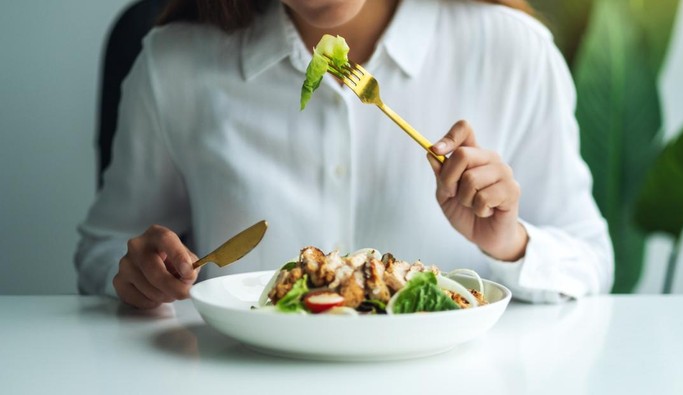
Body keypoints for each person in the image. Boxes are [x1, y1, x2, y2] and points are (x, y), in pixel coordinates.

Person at [75, 0, 614, 309]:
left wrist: (512, 243)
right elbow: (103, 251)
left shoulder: (515, 50)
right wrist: (138, 275)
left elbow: (591, 258)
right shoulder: (174, 63)